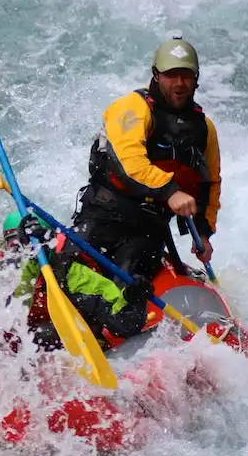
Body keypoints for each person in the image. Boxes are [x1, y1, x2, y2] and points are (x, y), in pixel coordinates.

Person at [70, 36, 221, 287]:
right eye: (172, 75)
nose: (180, 83)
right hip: (105, 215)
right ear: (156, 75)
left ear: (196, 78)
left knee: (129, 289)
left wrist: (203, 233)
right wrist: (170, 191)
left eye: (186, 75)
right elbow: (128, 161)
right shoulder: (132, 108)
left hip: (149, 229)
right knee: (71, 274)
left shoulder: (204, 129)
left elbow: (209, 183)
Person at [10, 215, 154, 352]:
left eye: (19, 244)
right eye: (12, 245)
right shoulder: (2, 278)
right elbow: (14, 314)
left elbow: (122, 324)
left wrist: (134, 298)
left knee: (45, 333)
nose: (17, 251)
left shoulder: (71, 274)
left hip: (76, 340)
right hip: (28, 345)